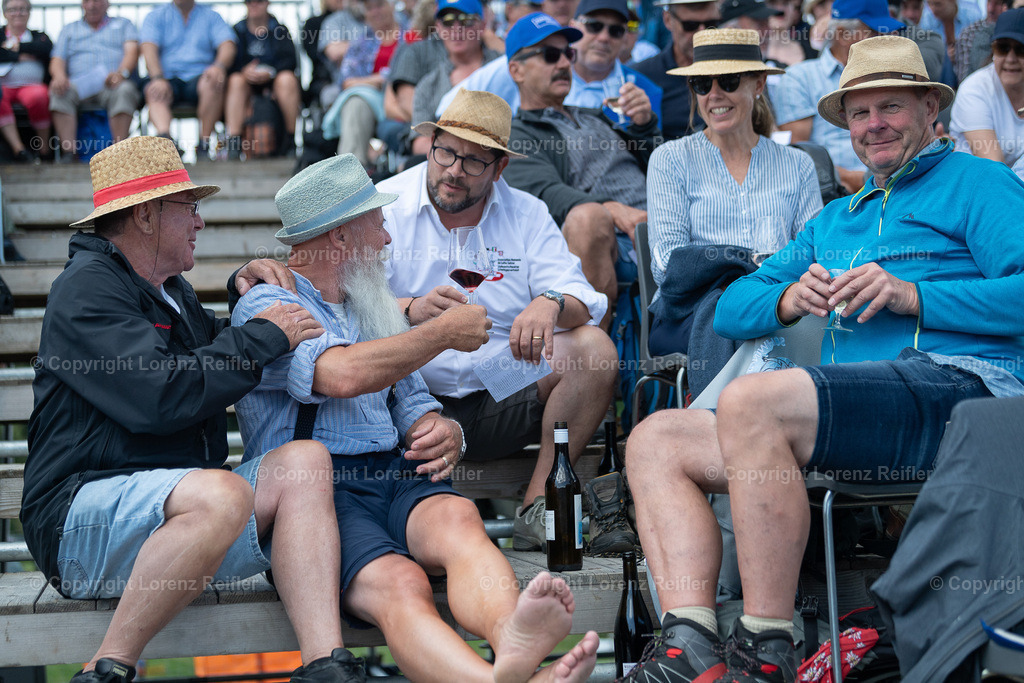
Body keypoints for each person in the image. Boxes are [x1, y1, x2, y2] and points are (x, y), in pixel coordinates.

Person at [622, 35, 1024, 683]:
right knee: (654, 439)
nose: (874, 126)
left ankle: (765, 645)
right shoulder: (838, 218)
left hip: (960, 392)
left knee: (756, 400)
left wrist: (914, 294)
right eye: (859, 115)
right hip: (844, 409)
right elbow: (730, 308)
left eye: (890, 107)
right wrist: (786, 298)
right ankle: (690, 643)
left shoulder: (980, 182)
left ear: (929, 109)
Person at [231, 152, 601, 683]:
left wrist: (440, 425)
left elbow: (407, 394)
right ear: (338, 238)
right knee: (403, 583)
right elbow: (337, 375)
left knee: (461, 522)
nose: (385, 239)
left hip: (396, 471)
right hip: (315, 496)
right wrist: (440, 335)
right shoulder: (268, 301)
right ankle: (494, 680)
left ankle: (513, 643)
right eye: (376, 224)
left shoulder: (367, 301)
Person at [21, 136, 365, 683]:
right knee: (220, 489)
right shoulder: (85, 289)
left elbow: (219, 347)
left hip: (175, 527)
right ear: (146, 215)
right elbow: (159, 395)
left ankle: (325, 664)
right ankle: (108, 669)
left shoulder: (168, 289)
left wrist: (243, 292)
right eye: (190, 208)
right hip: (77, 526)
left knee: (305, 461)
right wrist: (260, 337)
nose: (200, 222)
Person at [378, 89, 623, 553]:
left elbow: (585, 299)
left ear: (499, 168)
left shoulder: (525, 213)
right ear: (429, 144)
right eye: (445, 151)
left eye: (473, 161)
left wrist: (549, 302)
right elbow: (343, 305)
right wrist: (410, 308)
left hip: (496, 385)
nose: (454, 169)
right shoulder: (385, 204)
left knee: (592, 349)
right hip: (405, 397)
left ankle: (538, 512)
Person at [645, 29, 821, 386]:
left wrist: (763, 286)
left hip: (777, 299)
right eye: (701, 84)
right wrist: (746, 269)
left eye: (727, 81)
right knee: (754, 328)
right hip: (695, 308)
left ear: (758, 85)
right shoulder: (671, 159)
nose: (714, 95)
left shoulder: (797, 164)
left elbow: (815, 252)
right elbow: (666, 263)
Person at [505, 13, 659, 325]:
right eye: (550, 55)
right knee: (588, 217)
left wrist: (645, 126)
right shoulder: (514, 133)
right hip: (614, 238)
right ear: (516, 70)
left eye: (568, 54)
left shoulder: (596, 114)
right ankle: (596, 355)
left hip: (661, 221)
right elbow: (544, 193)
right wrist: (612, 208)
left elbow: (661, 166)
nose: (563, 63)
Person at [772, 0, 904, 193]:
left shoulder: (893, 74)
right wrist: (865, 179)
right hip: (833, 196)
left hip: (894, 187)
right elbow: (799, 157)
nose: (885, 39)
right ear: (843, 35)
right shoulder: (800, 78)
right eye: (875, 32)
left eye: (886, 32)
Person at [140, 0, 237, 160]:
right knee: (154, 89)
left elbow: (228, 45)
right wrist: (157, 77)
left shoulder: (212, 16)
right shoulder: (155, 16)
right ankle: (168, 143)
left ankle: (204, 145)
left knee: (213, 80)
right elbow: (148, 49)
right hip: (167, 78)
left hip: (201, 77)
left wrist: (218, 66)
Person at [48, 0, 140, 162]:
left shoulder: (124, 25)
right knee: (58, 91)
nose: (92, 5)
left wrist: (121, 73)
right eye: (87, 1)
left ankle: (119, 154)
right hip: (77, 86)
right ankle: (69, 154)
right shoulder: (69, 29)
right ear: (82, 4)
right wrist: (59, 76)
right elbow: (57, 60)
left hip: (112, 84)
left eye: (97, 1)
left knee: (125, 90)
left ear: (107, 3)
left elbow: (132, 52)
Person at [319, 0, 406, 167]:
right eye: (369, 8)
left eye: (379, 5)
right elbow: (347, 82)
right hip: (372, 101)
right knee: (355, 103)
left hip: (406, 97)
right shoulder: (361, 42)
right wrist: (380, 79)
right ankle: (350, 177)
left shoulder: (410, 35)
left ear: (392, 5)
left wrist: (382, 80)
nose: (375, 12)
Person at [408, 0, 501, 155]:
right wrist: (459, 153)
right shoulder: (429, 84)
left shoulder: (502, 68)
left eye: (466, 21)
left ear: (482, 25)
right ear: (438, 27)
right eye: (448, 21)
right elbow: (418, 142)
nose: (456, 29)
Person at [223, 0, 301, 160]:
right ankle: (235, 142)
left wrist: (271, 72)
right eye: (249, 2)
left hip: (274, 82)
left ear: (267, 3)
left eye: (258, 1)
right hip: (246, 84)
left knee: (287, 79)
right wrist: (244, 71)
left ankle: (290, 140)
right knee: (236, 80)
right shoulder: (237, 30)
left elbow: (290, 62)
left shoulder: (279, 29)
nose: (253, 5)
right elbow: (229, 65)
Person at [631, 0, 719, 139]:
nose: (702, 34)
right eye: (690, 25)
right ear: (667, 20)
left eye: (711, 25)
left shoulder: (738, 72)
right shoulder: (641, 76)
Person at [950, 7, 1024, 165]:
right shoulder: (974, 90)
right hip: (981, 186)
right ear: (993, 50)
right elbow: (994, 169)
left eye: (1021, 50)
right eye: (1002, 48)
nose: (1011, 59)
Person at [0, 0, 51, 163]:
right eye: (13, 9)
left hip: (31, 87)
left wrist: (15, 47)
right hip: (4, 87)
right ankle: (19, 150)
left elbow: (45, 48)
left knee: (39, 97)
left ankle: (44, 149)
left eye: (22, 9)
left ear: (29, 13)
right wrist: (21, 56)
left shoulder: (39, 35)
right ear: (4, 13)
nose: (18, 13)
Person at [953, 0, 1010, 80]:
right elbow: (964, 80)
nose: (991, 9)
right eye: (989, 2)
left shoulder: (1017, 34)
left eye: (998, 4)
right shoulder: (970, 34)